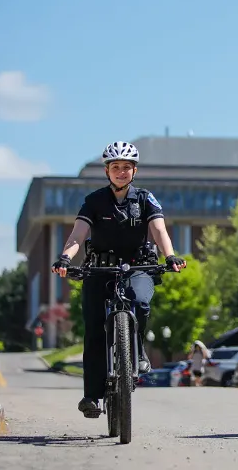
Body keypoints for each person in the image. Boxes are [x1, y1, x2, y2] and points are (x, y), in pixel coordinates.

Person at [51, 141, 186, 418]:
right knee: (94, 329)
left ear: (134, 171)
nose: (121, 172)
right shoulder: (94, 200)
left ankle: (138, 351)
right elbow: (77, 235)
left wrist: (170, 255)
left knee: (140, 301)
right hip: (100, 268)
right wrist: (65, 257)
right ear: (107, 171)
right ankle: (92, 396)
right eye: (116, 167)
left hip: (138, 265)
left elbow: (159, 230)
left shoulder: (146, 198)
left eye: (126, 167)